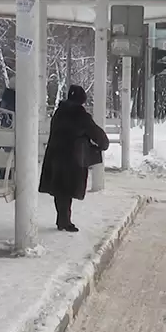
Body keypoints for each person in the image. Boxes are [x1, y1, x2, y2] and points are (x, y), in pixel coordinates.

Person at [39, 85, 109, 232]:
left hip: (55, 155)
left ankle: (62, 219)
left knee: (60, 190)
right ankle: (65, 221)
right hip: (72, 158)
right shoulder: (81, 115)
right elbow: (97, 135)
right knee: (67, 190)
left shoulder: (59, 112)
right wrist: (103, 145)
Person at [0, 77, 15, 180]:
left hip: (5, 128)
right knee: (10, 157)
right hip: (11, 129)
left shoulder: (6, 97)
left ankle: (3, 177)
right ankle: (8, 177)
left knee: (6, 156)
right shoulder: (15, 98)